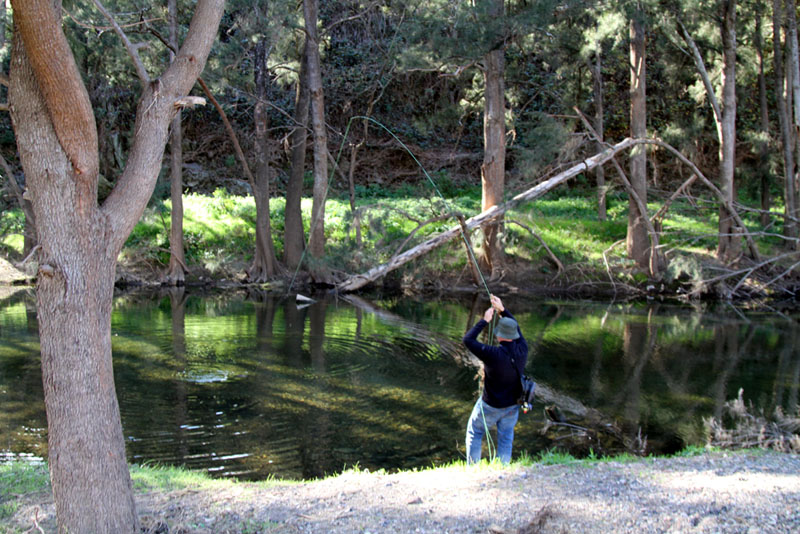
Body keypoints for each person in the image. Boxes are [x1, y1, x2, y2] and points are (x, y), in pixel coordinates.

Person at [462, 294, 528, 464]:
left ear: (499, 336)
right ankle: (503, 468)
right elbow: (516, 328)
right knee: (506, 437)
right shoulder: (523, 349)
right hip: (513, 405)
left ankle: (473, 468)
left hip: (490, 405)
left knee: (475, 431)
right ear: (514, 335)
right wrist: (502, 310)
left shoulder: (492, 354)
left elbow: (467, 340)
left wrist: (484, 320)